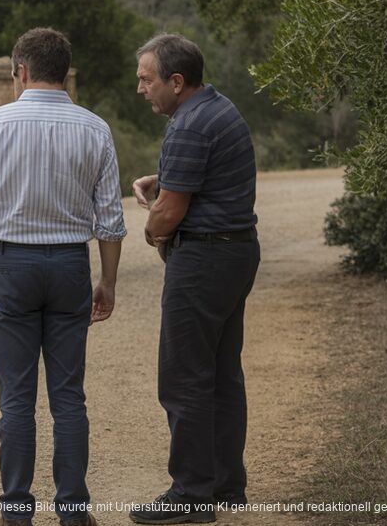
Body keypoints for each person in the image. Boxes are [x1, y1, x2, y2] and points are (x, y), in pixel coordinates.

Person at [0, 28, 125, 526]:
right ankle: (73, 510)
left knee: (16, 398)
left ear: (22, 71)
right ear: (64, 72)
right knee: (69, 396)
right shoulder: (95, 128)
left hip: (12, 266)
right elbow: (110, 219)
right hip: (70, 264)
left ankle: (15, 510)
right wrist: (107, 282)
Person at [128, 34, 260, 525]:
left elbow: (168, 215)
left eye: (147, 79)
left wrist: (153, 226)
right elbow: (202, 175)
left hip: (204, 258)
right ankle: (225, 485)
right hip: (234, 252)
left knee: (184, 376)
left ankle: (191, 495)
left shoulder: (189, 125)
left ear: (177, 81)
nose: (140, 88)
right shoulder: (215, 108)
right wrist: (161, 179)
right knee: (221, 373)